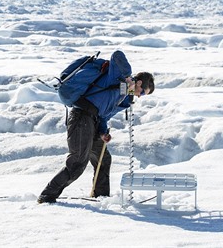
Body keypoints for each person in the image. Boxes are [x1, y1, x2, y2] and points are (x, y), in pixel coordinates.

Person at [37, 50, 154, 204]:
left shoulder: (123, 97)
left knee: (103, 159)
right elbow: (117, 55)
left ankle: (101, 198)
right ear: (138, 83)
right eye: (143, 92)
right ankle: (47, 196)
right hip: (81, 116)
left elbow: (104, 115)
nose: (139, 96)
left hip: (93, 122)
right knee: (78, 162)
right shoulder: (116, 77)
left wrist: (103, 132)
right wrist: (127, 77)